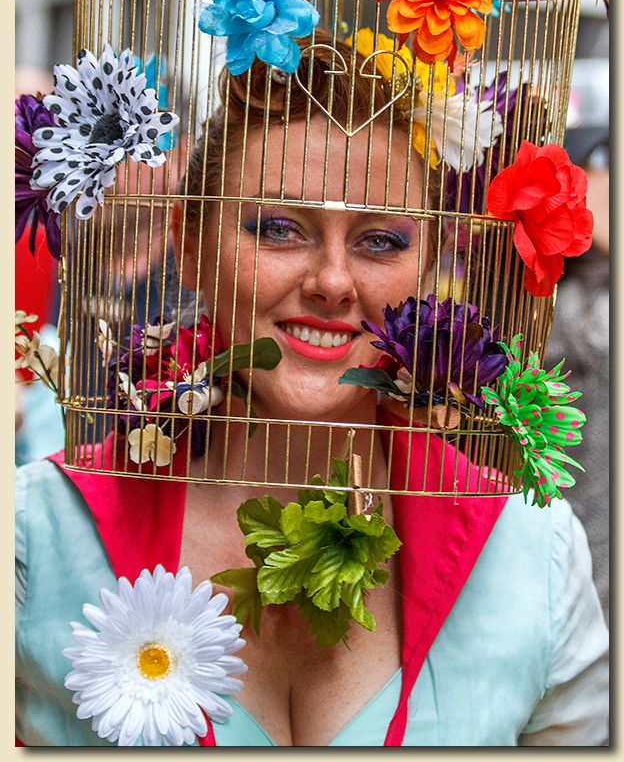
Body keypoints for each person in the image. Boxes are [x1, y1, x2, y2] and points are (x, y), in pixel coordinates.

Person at [16, 41, 608, 747]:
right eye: (277, 228)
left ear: (434, 264)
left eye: (381, 241)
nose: (332, 281)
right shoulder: (36, 539)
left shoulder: (530, 558)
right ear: (189, 241)